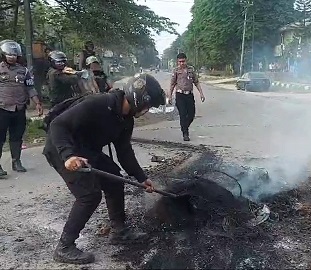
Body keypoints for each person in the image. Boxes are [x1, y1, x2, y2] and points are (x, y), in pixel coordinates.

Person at [42, 73, 166, 264]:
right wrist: (68, 155)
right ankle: (64, 247)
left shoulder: (126, 120)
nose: (147, 110)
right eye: (148, 105)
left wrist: (142, 178)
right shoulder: (98, 104)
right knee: (89, 195)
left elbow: (124, 152)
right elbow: (58, 125)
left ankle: (119, 230)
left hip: (87, 150)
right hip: (62, 148)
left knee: (115, 179)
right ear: (139, 99)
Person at [0, 40, 43, 177]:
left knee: (17, 137)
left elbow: (30, 88)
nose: (12, 57)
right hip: (2, 108)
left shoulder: (23, 70)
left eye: (14, 55)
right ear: (3, 54)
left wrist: (37, 103)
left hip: (19, 108)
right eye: (9, 54)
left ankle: (16, 161)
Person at [168, 52, 205, 141]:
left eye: (183, 61)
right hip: (180, 95)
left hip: (189, 95)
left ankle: (184, 126)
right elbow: (172, 84)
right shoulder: (176, 71)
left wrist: (201, 93)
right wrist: (169, 96)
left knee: (191, 114)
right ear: (177, 62)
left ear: (186, 60)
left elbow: (196, 82)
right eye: (180, 62)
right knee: (183, 114)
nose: (182, 63)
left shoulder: (191, 70)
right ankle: (185, 133)